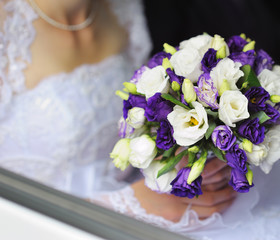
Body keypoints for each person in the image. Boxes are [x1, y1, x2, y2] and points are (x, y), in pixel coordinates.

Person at [0, 0, 236, 236]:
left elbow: (139, 116)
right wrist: (129, 205)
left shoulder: (122, 8)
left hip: (142, 197)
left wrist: (171, 160)